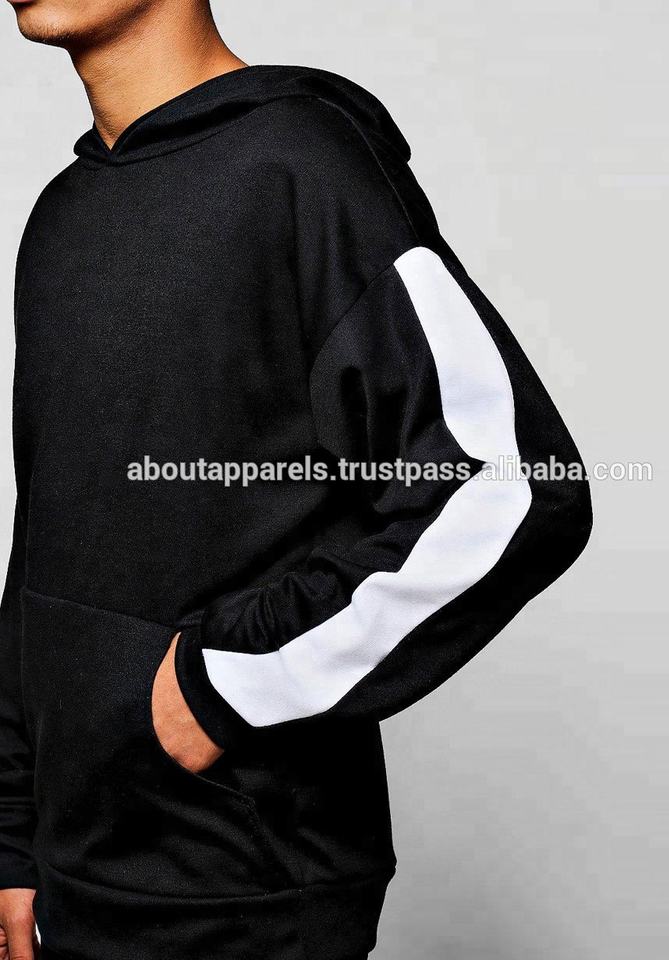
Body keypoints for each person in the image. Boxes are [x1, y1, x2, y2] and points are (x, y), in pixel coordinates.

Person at [0, 1, 592, 957]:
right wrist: (12, 836)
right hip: (77, 884)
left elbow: (515, 488)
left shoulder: (303, 166)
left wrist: (227, 683)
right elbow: (44, 546)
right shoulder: (61, 217)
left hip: (250, 893)